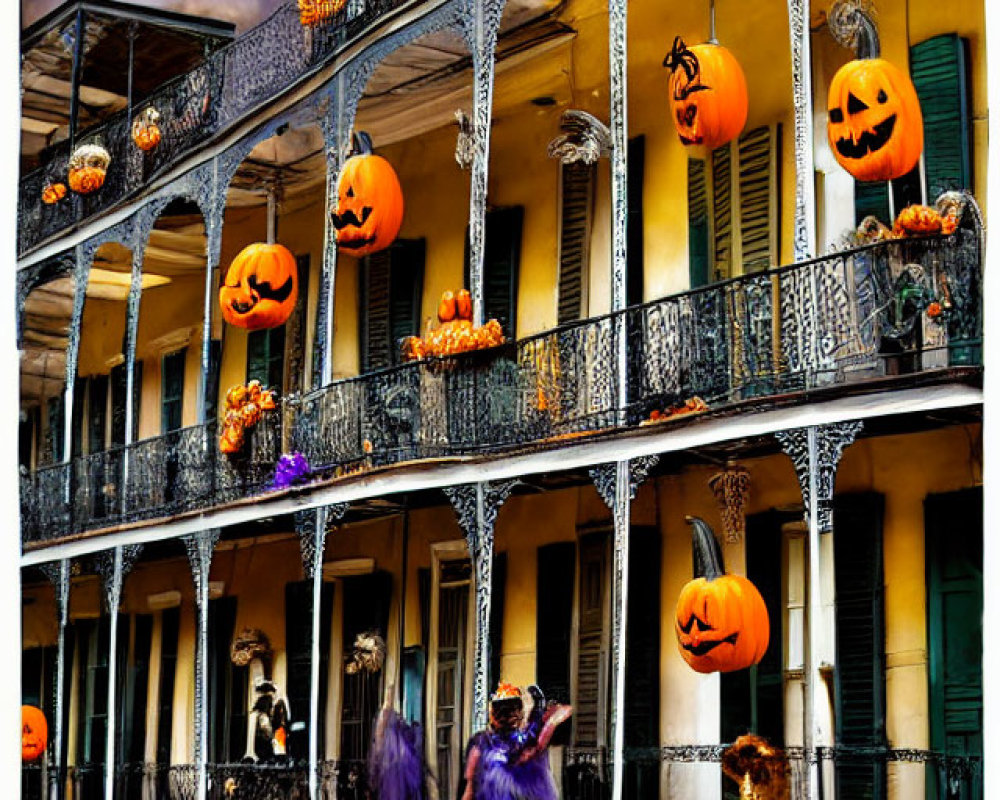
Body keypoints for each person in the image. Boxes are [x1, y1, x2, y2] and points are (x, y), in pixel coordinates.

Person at [461, 683, 572, 800]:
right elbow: (470, 787)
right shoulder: (481, 742)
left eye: (513, 708)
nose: (508, 715)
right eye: (503, 710)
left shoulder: (528, 740)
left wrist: (549, 721)